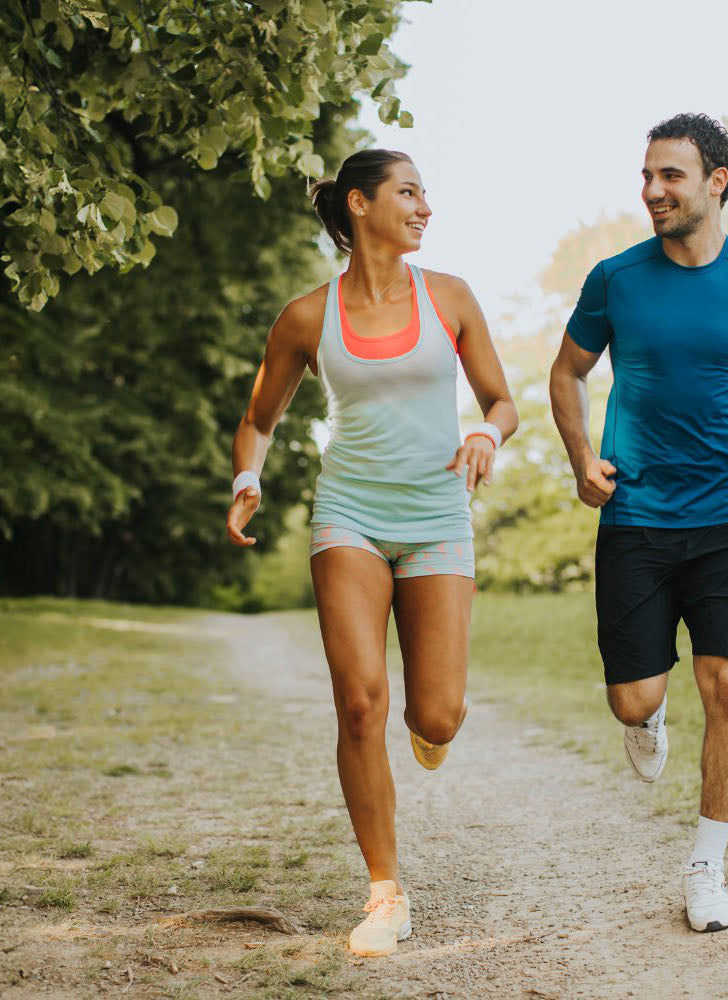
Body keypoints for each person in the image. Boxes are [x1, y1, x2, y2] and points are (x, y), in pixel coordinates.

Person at [226, 149, 517, 957]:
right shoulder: (305, 316)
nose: (425, 207)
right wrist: (248, 473)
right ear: (360, 206)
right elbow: (259, 415)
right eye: (409, 192)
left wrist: (486, 432)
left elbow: (501, 399)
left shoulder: (449, 298)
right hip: (348, 513)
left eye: (426, 193)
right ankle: (384, 893)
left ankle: (434, 727)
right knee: (359, 703)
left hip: (435, 515)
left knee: (436, 713)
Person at [548, 113, 728, 933]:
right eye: (645, 176)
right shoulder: (615, 279)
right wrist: (579, 458)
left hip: (727, 512)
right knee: (632, 699)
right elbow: (566, 374)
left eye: (669, 176)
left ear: (716, 181)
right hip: (635, 514)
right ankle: (649, 714)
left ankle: (706, 867)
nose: (652, 191)